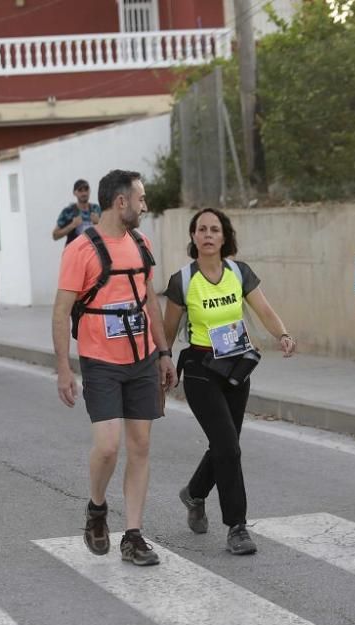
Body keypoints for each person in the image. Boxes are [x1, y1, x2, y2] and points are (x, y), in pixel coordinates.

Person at [52, 169, 176, 567]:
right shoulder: (80, 249)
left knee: (140, 446)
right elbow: (61, 313)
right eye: (140, 199)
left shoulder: (141, 243)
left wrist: (164, 352)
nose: (144, 206)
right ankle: (97, 508)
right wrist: (64, 369)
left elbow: (149, 302)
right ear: (121, 202)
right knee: (108, 447)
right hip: (100, 361)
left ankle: (134, 535)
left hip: (141, 359)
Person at [162, 208, 297, 555]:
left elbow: (263, 309)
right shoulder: (182, 280)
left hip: (236, 367)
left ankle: (194, 492)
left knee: (226, 445)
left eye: (215, 229)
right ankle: (237, 527)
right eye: (201, 229)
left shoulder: (239, 272)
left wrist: (281, 333)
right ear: (193, 237)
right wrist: (161, 362)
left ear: (224, 237)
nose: (208, 234)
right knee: (228, 446)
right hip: (200, 368)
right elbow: (168, 329)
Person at [53, 179, 101, 245]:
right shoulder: (68, 211)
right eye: (80, 190)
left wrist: (99, 222)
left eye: (86, 189)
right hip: (74, 252)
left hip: (93, 251)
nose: (84, 193)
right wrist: (72, 225)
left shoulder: (97, 209)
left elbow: (111, 230)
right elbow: (55, 235)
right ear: (74, 192)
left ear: (89, 191)